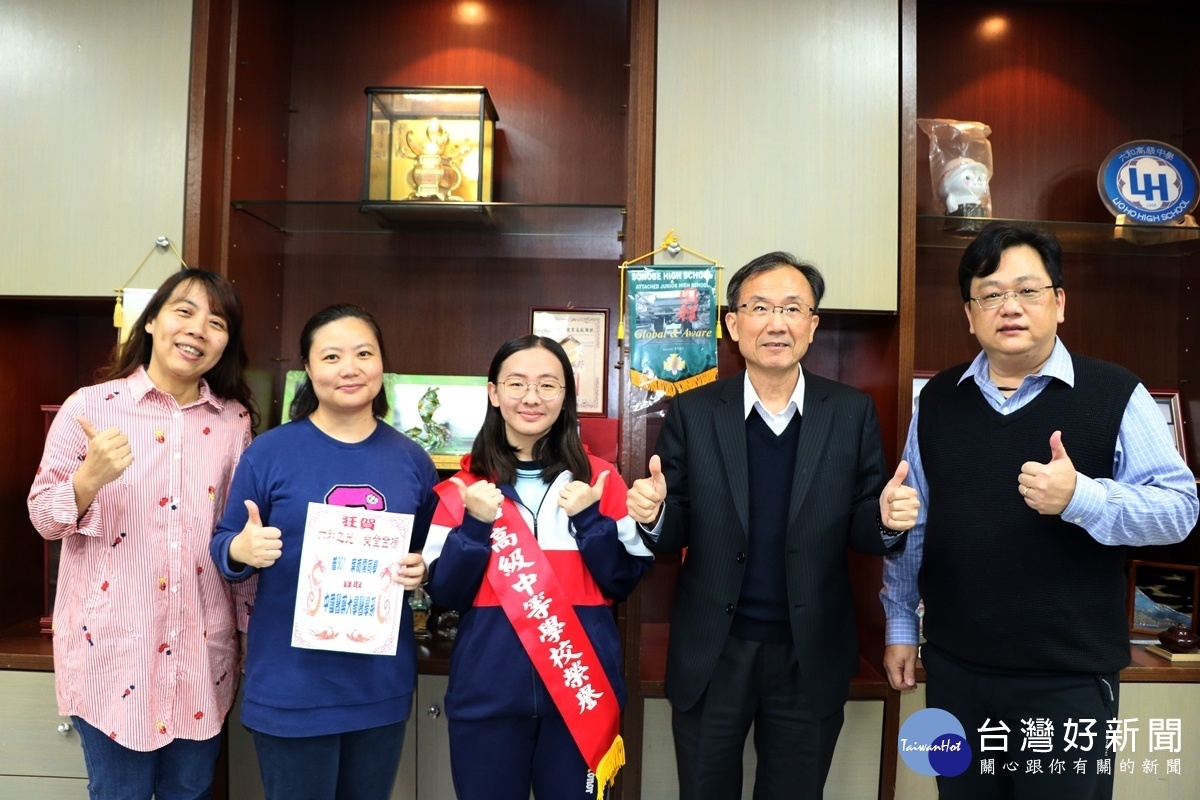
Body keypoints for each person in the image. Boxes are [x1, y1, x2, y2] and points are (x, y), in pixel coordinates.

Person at [881, 222, 1199, 799]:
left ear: (1059, 303)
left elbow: (1179, 510)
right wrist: (902, 625)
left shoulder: (1117, 393)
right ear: (969, 314)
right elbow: (916, 520)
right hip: (956, 671)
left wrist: (1082, 497)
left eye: (1028, 291)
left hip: (1067, 678)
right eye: (991, 294)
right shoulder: (938, 400)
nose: (1010, 307)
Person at [625, 251, 919, 800]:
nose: (776, 322)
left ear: (813, 325)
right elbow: (674, 531)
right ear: (733, 325)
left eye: (792, 308)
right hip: (714, 650)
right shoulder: (694, 411)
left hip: (811, 652)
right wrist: (655, 514)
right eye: (759, 307)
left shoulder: (850, 411)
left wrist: (885, 522)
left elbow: (863, 526)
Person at [28, 267, 259, 800]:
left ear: (227, 343)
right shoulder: (89, 407)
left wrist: (247, 631)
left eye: (218, 321)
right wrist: (89, 478)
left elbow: (238, 536)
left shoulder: (235, 422)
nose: (199, 329)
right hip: (111, 656)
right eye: (185, 311)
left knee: (192, 790)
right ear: (151, 321)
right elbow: (43, 517)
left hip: (202, 655)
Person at [209, 304, 437, 800]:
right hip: (292, 684)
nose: (349, 368)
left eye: (363, 353)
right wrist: (242, 549)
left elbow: (420, 551)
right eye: (332, 356)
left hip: (379, 685)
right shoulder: (268, 452)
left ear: (382, 365)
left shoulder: (412, 459)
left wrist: (420, 570)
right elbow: (224, 547)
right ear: (309, 370)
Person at [423, 335, 654, 800]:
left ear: (566, 396)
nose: (532, 398)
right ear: (493, 393)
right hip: (486, 702)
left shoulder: (601, 480)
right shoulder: (462, 490)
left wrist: (590, 520)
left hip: (580, 697)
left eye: (548, 385)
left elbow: (623, 581)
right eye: (517, 384)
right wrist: (473, 527)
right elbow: (446, 592)